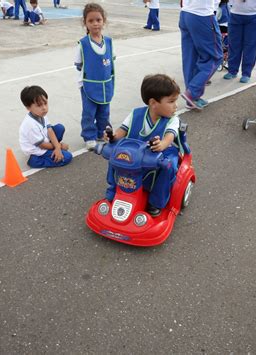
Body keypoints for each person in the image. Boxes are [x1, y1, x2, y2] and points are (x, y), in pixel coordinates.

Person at [104, 74, 181, 217]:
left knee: (168, 166)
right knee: (114, 156)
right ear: (153, 103)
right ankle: (114, 188)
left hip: (163, 152)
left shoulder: (172, 120)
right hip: (136, 152)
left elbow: (169, 137)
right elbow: (121, 132)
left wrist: (162, 144)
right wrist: (112, 137)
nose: (176, 106)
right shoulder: (136, 114)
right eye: (171, 101)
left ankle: (156, 202)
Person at [74, 3, 114, 150]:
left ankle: (102, 132)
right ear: (85, 22)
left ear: (103, 20)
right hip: (88, 85)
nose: (95, 23)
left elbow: (111, 62)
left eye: (98, 20)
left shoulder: (108, 42)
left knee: (104, 111)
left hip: (105, 84)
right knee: (89, 112)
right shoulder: (82, 44)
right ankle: (89, 136)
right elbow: (78, 64)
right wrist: (81, 83)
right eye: (91, 21)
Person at [179, 0, 222, 110]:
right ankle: (192, 92)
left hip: (185, 13)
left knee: (190, 57)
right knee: (214, 57)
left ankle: (192, 98)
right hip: (202, 15)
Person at [19, 86, 73, 168]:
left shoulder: (41, 115)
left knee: (59, 128)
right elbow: (42, 145)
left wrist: (57, 147)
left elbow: (50, 130)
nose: (44, 108)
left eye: (45, 103)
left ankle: (53, 149)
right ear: (28, 108)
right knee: (67, 157)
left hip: (44, 141)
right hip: (38, 149)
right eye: (39, 105)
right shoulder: (30, 125)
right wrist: (60, 146)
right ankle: (35, 161)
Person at [223, 0, 256, 84]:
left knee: (250, 45)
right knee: (234, 44)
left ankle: (246, 73)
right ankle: (232, 70)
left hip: (255, 14)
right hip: (235, 14)